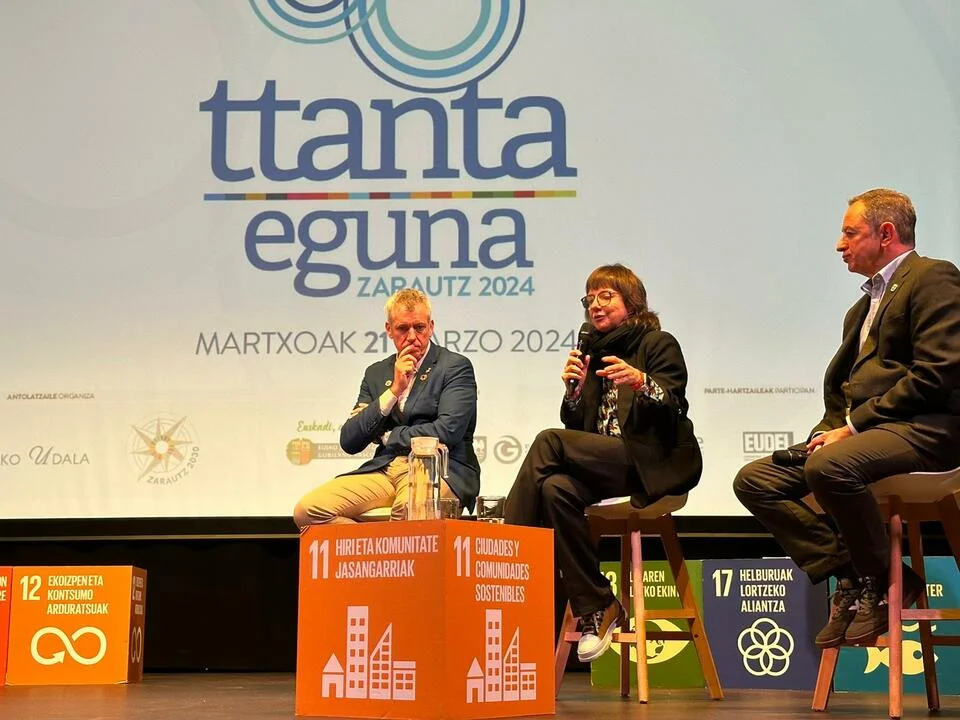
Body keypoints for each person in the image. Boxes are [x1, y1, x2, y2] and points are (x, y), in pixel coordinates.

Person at [734, 188, 960, 648]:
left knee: (829, 466)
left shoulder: (932, 277)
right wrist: (827, 430)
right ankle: (866, 577)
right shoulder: (860, 309)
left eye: (850, 233)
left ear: (886, 233)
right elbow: (844, 395)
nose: (840, 245)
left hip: (928, 430)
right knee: (755, 480)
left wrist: (853, 428)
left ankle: (876, 582)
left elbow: (938, 372)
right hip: (869, 436)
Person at [504, 264, 702, 662]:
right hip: (608, 464)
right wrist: (575, 395)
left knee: (547, 442)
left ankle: (512, 556)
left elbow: (674, 406)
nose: (595, 305)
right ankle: (600, 604)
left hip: (650, 461)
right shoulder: (592, 353)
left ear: (632, 301)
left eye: (605, 296)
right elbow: (579, 431)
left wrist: (641, 381)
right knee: (555, 489)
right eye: (589, 298)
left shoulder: (658, 343)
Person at [293, 288, 480, 527]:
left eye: (419, 327)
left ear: (431, 327)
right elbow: (350, 440)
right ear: (389, 330)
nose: (412, 336)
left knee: (408, 512)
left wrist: (387, 435)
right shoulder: (376, 373)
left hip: (440, 469)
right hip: (385, 468)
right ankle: (373, 549)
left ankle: (384, 546)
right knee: (308, 511)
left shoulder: (454, 367)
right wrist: (393, 391)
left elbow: (446, 431)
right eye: (403, 328)